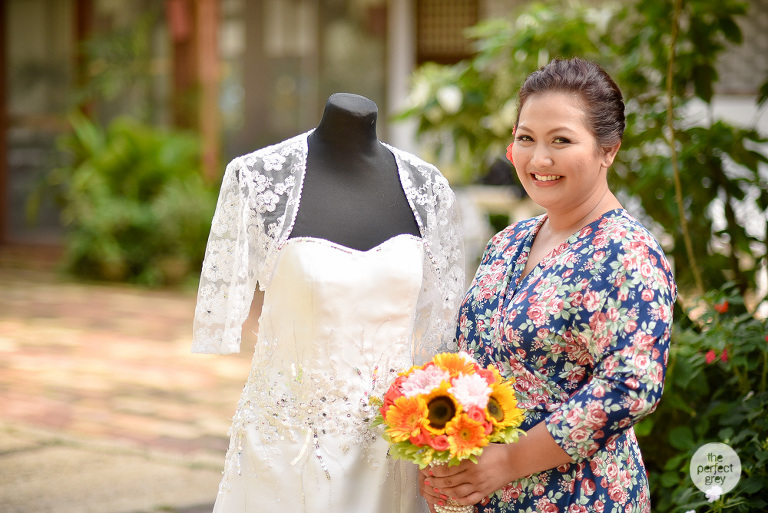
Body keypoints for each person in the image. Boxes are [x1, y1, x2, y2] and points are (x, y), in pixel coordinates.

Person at [419, 58, 677, 512]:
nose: (539, 159)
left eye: (561, 140)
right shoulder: (510, 241)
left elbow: (630, 386)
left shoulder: (627, 253)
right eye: (526, 139)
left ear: (608, 149)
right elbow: (472, 359)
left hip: (578, 497)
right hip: (488, 496)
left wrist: (509, 461)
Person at [192, 92, 464, 512]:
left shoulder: (429, 189)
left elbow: (442, 335)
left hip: (392, 444)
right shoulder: (257, 177)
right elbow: (222, 305)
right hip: (288, 442)